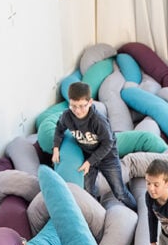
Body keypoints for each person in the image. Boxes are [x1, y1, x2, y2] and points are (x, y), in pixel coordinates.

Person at [51, 81, 137, 211]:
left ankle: (137, 209)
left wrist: (89, 162)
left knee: (119, 192)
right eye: (73, 106)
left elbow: (108, 143)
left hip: (107, 157)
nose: (77, 111)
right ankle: (97, 214)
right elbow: (59, 129)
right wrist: (56, 148)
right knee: (88, 191)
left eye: (82, 106)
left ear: (90, 102)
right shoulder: (67, 116)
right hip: (88, 155)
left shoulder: (98, 120)